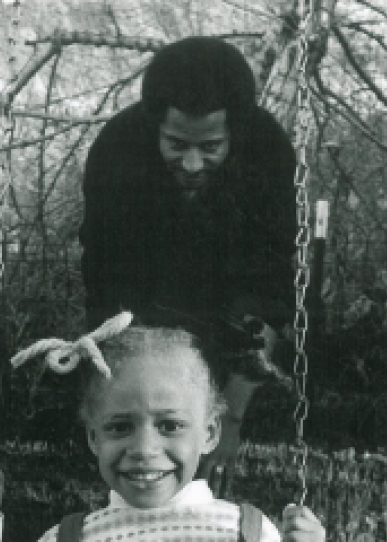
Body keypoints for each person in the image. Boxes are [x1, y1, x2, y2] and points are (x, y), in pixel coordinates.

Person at [78, 36, 298, 487]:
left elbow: (271, 286)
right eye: (177, 145)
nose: (193, 164)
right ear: (154, 125)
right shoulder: (117, 152)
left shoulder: (267, 152)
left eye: (210, 147)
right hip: (145, 295)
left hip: (233, 298)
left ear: (235, 133)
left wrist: (232, 415)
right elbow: (105, 283)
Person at [0, 314, 326, 542]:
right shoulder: (71, 538)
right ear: (93, 437)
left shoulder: (247, 532)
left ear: (210, 434)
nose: (144, 447)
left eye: (170, 425)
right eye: (120, 427)